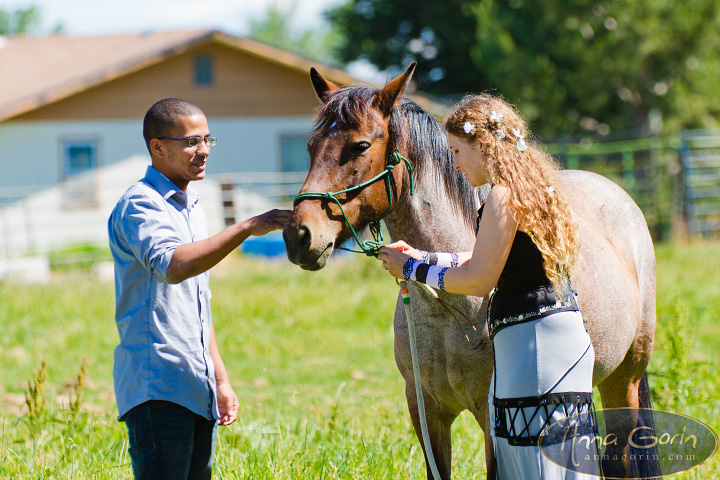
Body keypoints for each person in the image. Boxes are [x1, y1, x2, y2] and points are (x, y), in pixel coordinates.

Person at [377, 94, 599, 479]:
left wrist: (412, 268)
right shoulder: (528, 186)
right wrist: (422, 257)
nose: (455, 163)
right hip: (556, 338)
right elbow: (485, 256)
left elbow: (480, 279)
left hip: (533, 349)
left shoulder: (501, 195)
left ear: (482, 145)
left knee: (533, 467)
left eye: (457, 151)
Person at [108, 98, 290, 480]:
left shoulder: (190, 207)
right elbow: (172, 267)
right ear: (158, 147)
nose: (204, 150)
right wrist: (245, 228)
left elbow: (197, 306)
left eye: (208, 139)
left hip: (195, 385)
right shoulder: (140, 205)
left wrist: (220, 381)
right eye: (191, 141)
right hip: (157, 386)